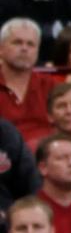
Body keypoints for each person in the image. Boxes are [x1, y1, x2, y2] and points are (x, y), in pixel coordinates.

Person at [0, 20, 52, 150]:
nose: (24, 48)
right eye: (17, 42)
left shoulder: (51, 85)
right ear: (1, 49)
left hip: (45, 157)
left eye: (31, 44)